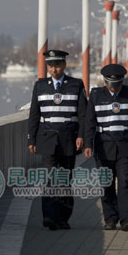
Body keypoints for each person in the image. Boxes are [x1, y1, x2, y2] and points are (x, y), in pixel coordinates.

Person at [27, 49, 87, 230]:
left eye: (57, 65)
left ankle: (63, 217)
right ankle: (50, 216)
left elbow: (83, 115)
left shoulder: (76, 85)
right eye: (51, 66)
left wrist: (82, 136)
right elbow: (34, 114)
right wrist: (32, 139)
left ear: (64, 65)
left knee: (65, 179)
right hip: (46, 138)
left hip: (68, 138)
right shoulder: (40, 85)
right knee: (50, 177)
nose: (54, 70)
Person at [84, 64, 128, 232]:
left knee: (125, 181)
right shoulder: (96, 95)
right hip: (104, 146)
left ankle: (127, 217)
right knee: (107, 183)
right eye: (111, 85)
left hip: (126, 145)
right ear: (105, 82)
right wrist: (88, 144)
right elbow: (89, 122)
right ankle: (111, 218)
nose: (114, 88)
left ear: (122, 82)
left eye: (117, 85)